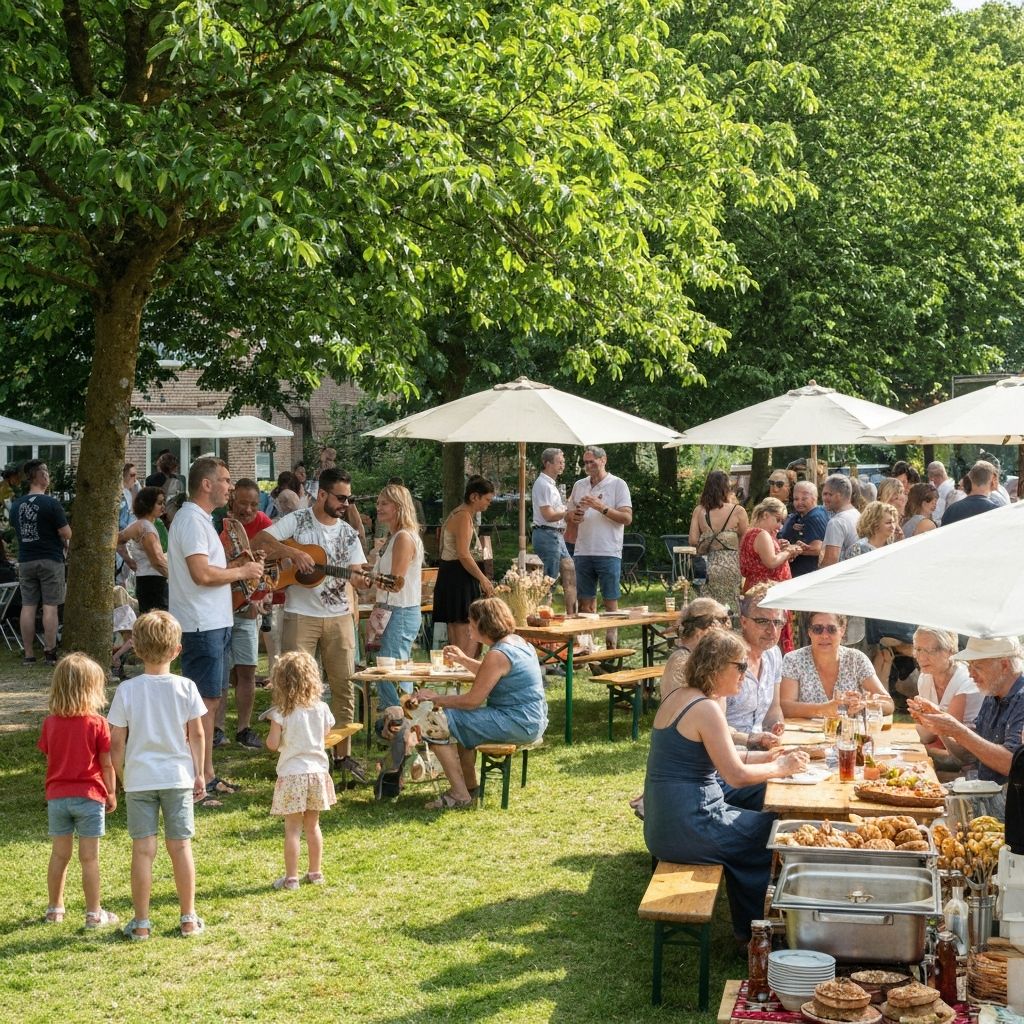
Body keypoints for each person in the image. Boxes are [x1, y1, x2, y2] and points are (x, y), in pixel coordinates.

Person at [642, 630, 809, 941]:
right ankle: (753, 934)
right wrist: (779, 767)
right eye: (741, 667)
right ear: (717, 666)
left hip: (663, 825)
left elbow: (727, 755)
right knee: (776, 832)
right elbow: (735, 776)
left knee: (762, 809)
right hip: (689, 828)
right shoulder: (705, 708)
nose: (745, 675)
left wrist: (766, 756)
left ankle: (753, 924)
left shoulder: (682, 697)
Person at [252, 467, 369, 782]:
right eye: (341, 497)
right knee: (293, 687)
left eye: (349, 498)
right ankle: (291, 755)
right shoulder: (298, 521)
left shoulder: (347, 533)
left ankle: (342, 756)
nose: (346, 503)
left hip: (340, 618)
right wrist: (292, 552)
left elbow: (357, 573)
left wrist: (363, 579)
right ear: (322, 495)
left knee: (344, 685)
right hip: (301, 616)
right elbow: (260, 539)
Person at [107, 611, 208, 939]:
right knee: (181, 847)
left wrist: (122, 776)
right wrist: (199, 772)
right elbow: (198, 735)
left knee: (142, 850)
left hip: (140, 779)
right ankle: (188, 918)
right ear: (177, 650)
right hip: (178, 777)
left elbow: (116, 742)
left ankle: (141, 923)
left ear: (135, 648)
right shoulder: (186, 687)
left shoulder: (127, 690)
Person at [168, 456, 264, 801]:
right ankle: (198, 780)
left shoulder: (201, 520)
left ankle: (207, 774)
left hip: (212, 622)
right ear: (206, 484)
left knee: (209, 701)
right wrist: (242, 573)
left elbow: (210, 569)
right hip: (200, 624)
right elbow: (202, 574)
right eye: (224, 480)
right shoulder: (192, 521)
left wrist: (240, 564)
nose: (230, 487)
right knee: (202, 706)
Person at [414, 597, 547, 809]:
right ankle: (470, 786)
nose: (468, 627)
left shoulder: (498, 654)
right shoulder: (518, 642)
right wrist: (463, 660)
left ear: (484, 624)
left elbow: (472, 701)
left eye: (471, 622)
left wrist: (435, 699)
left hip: (517, 722)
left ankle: (460, 795)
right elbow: (492, 673)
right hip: (531, 719)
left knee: (433, 723)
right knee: (458, 724)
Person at [37, 653, 118, 928]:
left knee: (59, 854)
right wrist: (111, 792)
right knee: (89, 858)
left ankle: (54, 909)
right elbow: (106, 764)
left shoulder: (50, 723)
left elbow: (51, 760)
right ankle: (94, 913)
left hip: (58, 797)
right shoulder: (97, 723)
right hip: (90, 797)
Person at [265, 650, 337, 890]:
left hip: (292, 774)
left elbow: (273, 745)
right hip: (317, 773)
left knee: (292, 829)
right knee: (313, 826)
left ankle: (291, 878)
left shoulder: (281, 713)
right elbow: (326, 734)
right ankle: (315, 872)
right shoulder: (321, 709)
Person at [216, 479, 273, 750]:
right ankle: (217, 729)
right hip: (219, 610)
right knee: (223, 673)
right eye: (243, 503)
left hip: (248, 611)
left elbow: (272, 566)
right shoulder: (218, 525)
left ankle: (244, 728)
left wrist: (261, 597)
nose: (249, 509)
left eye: (254, 504)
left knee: (247, 671)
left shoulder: (264, 523)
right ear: (232, 501)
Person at [567, 446, 633, 639]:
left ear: (603, 460)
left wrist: (601, 507)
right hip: (583, 550)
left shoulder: (618, 484)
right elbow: (569, 515)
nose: (588, 466)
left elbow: (627, 518)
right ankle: (588, 650)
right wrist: (575, 516)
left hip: (608, 551)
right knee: (585, 604)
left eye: (592, 462)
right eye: (585, 462)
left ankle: (612, 647)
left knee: (610, 604)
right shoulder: (579, 485)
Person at [779, 612, 894, 718]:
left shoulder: (856, 659)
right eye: (817, 629)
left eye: (831, 629)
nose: (824, 635)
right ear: (809, 632)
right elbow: (785, 707)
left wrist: (864, 704)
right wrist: (823, 709)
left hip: (849, 736)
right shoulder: (793, 660)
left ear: (842, 630)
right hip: (806, 736)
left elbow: (889, 704)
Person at [11, 459, 70, 665]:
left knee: (28, 606)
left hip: (26, 559)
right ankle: (49, 652)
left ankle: (28, 654)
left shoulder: (16, 505)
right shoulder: (51, 503)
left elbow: (17, 530)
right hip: (50, 559)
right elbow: (66, 532)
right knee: (50, 607)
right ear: (40, 476)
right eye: (45, 471)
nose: (48, 474)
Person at [371, 483, 424, 709]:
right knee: (390, 668)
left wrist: (367, 577)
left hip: (399, 611)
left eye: (384, 503)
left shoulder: (403, 537)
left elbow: (394, 583)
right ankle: (394, 722)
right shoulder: (395, 537)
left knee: (392, 670)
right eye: (378, 503)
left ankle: (400, 724)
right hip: (391, 610)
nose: (378, 507)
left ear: (399, 506)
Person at [433, 475, 496, 659]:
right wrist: (483, 579)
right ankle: (464, 674)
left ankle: (460, 676)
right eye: (487, 500)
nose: (488, 504)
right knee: (466, 632)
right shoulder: (463, 516)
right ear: (474, 497)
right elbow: (463, 553)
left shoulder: (458, 513)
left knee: (460, 629)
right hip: (457, 577)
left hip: (451, 575)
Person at [909, 627, 982, 772]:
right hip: (944, 749)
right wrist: (922, 719)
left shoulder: (967, 681)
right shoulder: (925, 678)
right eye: (918, 649)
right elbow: (926, 736)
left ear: (950, 651)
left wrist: (930, 720)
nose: (921, 658)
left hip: (970, 759)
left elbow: (958, 750)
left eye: (930, 650)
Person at [726, 584, 787, 750]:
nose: (772, 630)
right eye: (762, 621)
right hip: (727, 754)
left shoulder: (773, 654)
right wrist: (752, 740)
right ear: (743, 621)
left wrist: (775, 725)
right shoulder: (726, 658)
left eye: (778, 622)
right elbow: (710, 724)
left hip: (761, 747)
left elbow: (774, 709)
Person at [738, 497, 800, 653]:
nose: (780, 526)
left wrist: (779, 547)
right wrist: (788, 551)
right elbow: (771, 562)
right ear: (765, 515)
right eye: (778, 520)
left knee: (758, 635)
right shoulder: (761, 534)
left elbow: (760, 558)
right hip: (767, 593)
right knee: (770, 633)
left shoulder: (750, 533)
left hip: (756, 590)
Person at [688, 469, 748, 612]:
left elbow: (693, 540)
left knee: (706, 609)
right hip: (730, 567)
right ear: (726, 489)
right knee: (729, 607)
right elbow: (746, 540)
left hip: (704, 567)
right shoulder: (738, 511)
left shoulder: (699, 511)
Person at [660, 597, 731, 699]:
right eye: (722, 621)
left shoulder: (696, 657)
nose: (726, 628)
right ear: (701, 631)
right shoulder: (682, 662)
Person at [118, 486, 169, 613]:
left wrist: (129, 560)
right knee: (157, 626)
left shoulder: (138, 524)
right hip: (154, 582)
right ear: (148, 504)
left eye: (164, 503)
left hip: (145, 580)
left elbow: (117, 540)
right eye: (159, 503)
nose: (163, 507)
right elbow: (157, 561)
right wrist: (177, 579)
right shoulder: (146, 527)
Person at [531, 448, 570, 580]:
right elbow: (548, 515)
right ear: (548, 464)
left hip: (554, 534)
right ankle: (544, 600)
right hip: (547, 535)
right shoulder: (543, 485)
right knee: (549, 580)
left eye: (563, 462)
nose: (562, 465)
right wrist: (567, 513)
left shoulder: (550, 485)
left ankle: (571, 601)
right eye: (559, 462)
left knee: (569, 572)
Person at [779, 481, 829, 577]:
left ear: (814, 498)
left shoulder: (815, 517)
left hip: (806, 575)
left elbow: (818, 549)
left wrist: (792, 550)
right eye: (796, 499)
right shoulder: (799, 515)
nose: (799, 502)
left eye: (804, 499)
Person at [818, 474, 859, 568]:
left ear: (838, 496)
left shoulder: (837, 523)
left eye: (827, 494)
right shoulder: (856, 514)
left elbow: (830, 562)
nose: (824, 499)